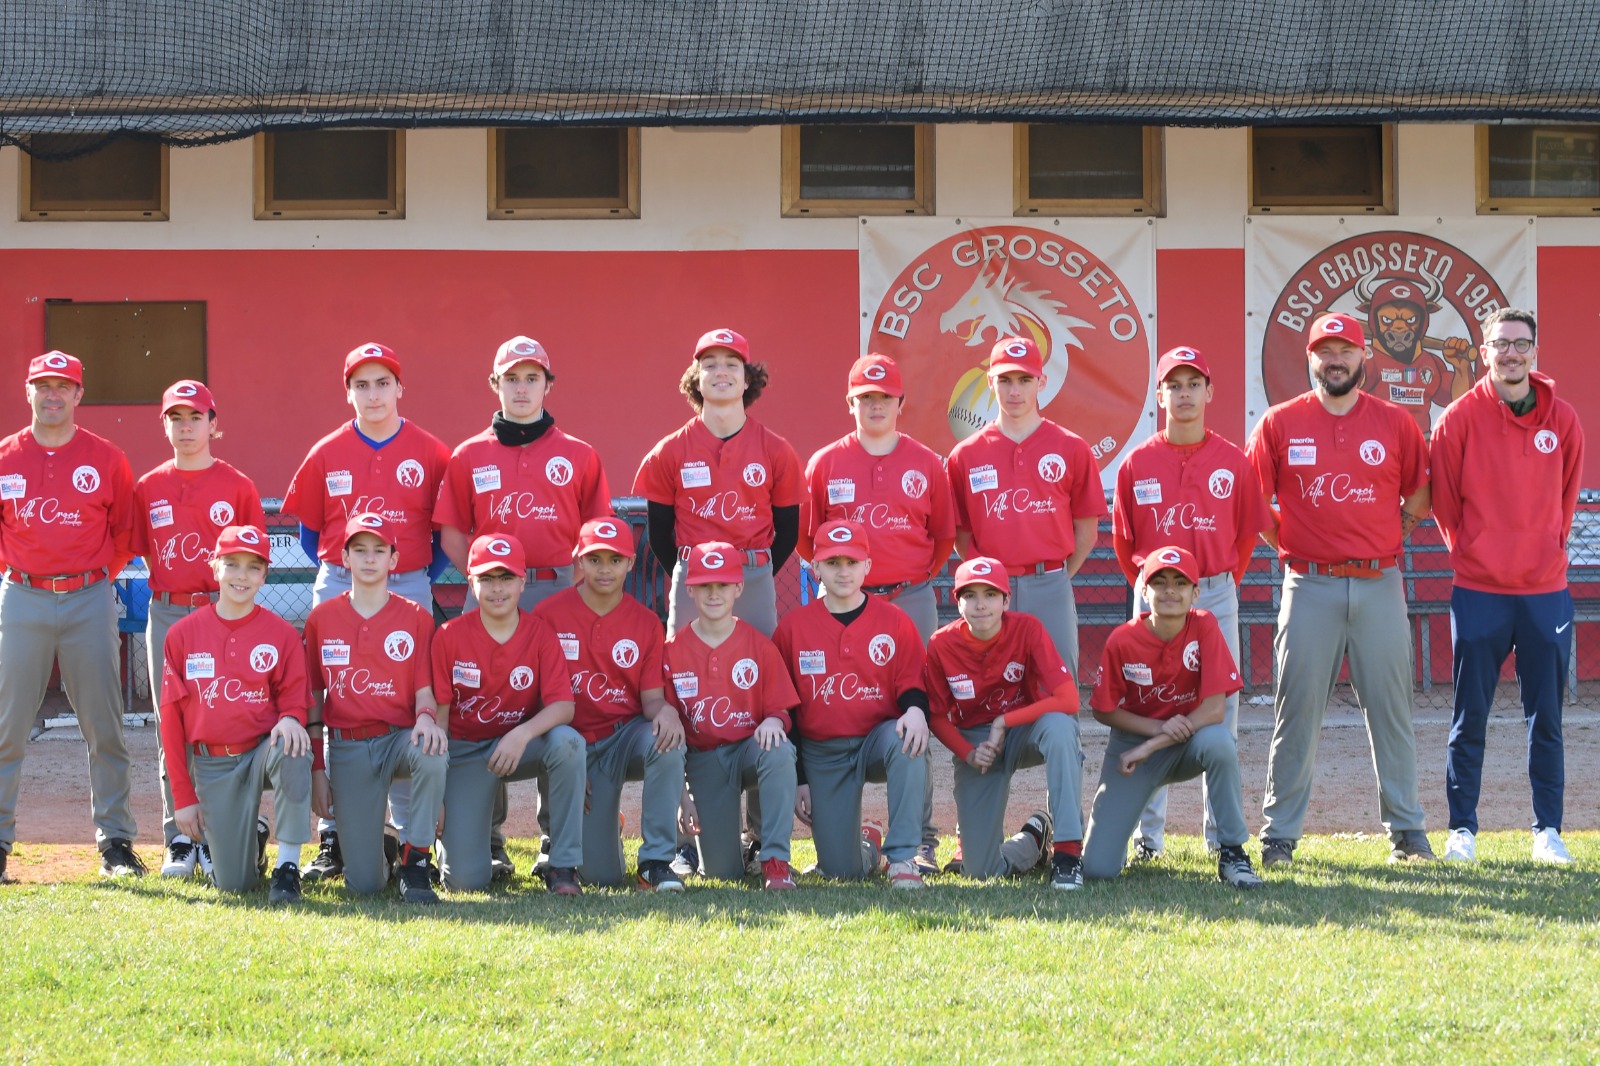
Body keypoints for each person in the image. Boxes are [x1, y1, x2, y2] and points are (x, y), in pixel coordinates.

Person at [1247, 311, 1433, 867]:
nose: (1335, 360)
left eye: (1345, 350)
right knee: (1296, 711)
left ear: (1363, 356)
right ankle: (1279, 834)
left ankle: (1407, 831)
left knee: (1391, 711)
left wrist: (1387, 537)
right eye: (1325, 350)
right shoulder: (1280, 423)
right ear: (1310, 358)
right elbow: (1254, 501)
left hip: (1380, 582)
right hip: (1309, 584)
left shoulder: (1395, 422)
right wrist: (1291, 542)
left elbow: (1419, 495)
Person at [433, 335, 612, 880]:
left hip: (559, 591)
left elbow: (597, 532)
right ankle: (488, 840)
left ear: (548, 385)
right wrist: (483, 579)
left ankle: (555, 843)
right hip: (492, 593)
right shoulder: (468, 455)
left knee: (557, 706)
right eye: (511, 378)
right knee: (484, 701)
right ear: (495, 385)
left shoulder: (579, 454)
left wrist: (572, 582)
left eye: (532, 378)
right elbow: (451, 531)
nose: (522, 388)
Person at [281, 342, 450, 883]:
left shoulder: (431, 451)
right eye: (361, 385)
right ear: (348, 392)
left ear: (400, 388)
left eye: (382, 383)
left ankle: (411, 839)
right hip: (340, 575)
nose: (373, 395)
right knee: (340, 693)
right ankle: (336, 835)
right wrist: (347, 572)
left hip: (410, 578)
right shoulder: (326, 451)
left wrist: (411, 571)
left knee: (406, 697)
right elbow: (309, 533)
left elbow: (446, 533)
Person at [1428, 307, 1585, 865]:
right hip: (1480, 590)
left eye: (1521, 344)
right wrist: (1475, 552)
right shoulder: (1458, 419)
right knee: (1469, 716)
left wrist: (1544, 549)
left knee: (1547, 719)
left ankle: (1548, 832)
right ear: (1485, 352)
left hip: (1545, 591)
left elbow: (1567, 498)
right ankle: (1461, 831)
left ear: (1535, 351)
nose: (1511, 353)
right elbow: (1445, 503)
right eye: (1501, 344)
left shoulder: (1563, 419)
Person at [1110, 347, 1270, 863]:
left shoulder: (1233, 461)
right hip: (1154, 597)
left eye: (1193, 384)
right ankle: (1148, 837)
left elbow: (1245, 535)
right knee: (1148, 701)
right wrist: (1150, 592)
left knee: (1220, 712)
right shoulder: (1137, 462)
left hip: (1214, 592)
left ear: (1209, 392)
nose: (1184, 394)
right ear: (1159, 396)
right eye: (1173, 385)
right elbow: (1124, 541)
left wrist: (1217, 586)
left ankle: (1220, 838)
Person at [800, 352, 953, 874]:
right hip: (841, 601)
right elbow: (808, 539)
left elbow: (943, 537)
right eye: (865, 397)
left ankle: (921, 841)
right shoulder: (825, 463)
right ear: (850, 402)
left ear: (900, 402)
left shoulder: (927, 463)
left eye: (884, 397)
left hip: (909, 597)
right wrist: (841, 584)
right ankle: (850, 834)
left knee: (915, 712)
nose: (875, 405)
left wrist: (909, 578)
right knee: (837, 705)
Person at [0, 351, 139, 884]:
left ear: (79, 394)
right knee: (7, 726)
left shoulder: (106, 458)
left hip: (88, 597)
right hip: (22, 596)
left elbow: (124, 535)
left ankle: (116, 842)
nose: (52, 394)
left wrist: (91, 579)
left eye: (63, 386)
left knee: (104, 725)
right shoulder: (7, 456)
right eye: (43, 385)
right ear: (28, 391)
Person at [132, 379, 266, 879]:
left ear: (214, 424)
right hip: (169, 612)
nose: (186, 427)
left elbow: (253, 560)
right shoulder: (148, 487)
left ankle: (214, 836)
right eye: (176, 418)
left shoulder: (238, 486)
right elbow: (146, 551)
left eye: (196, 418)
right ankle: (178, 837)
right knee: (171, 720)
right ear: (164, 425)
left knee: (221, 720)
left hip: (222, 612)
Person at [1081, 546, 1263, 889]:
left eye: (1180, 583)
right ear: (1143, 590)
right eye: (1159, 582)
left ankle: (1233, 853)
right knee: (1097, 869)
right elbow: (1103, 708)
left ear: (1195, 593)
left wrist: (1152, 745)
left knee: (1220, 742)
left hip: (1186, 743)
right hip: (1133, 750)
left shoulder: (1205, 625)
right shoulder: (1122, 639)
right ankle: (1053, 833)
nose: (1169, 591)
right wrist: (1152, 732)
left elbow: (1215, 709)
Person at [156, 525, 312, 902]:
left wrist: (290, 718)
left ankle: (287, 868)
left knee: (293, 746)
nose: (242, 575)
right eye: (232, 564)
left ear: (264, 575)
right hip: (214, 764)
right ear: (215, 567)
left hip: (260, 752)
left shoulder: (282, 634)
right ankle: (253, 836)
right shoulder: (182, 635)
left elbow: (294, 700)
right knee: (234, 885)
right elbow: (171, 722)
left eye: (253, 567)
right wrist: (183, 796)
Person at [532, 517, 687, 891]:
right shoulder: (548, 615)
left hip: (622, 738)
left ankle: (655, 862)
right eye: (594, 559)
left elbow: (651, 701)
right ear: (579, 561)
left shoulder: (646, 622)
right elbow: (536, 699)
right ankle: (593, 829)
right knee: (602, 876)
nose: (605, 569)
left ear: (630, 563)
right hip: (571, 741)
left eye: (615, 560)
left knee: (666, 740)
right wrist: (569, 763)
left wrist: (667, 711)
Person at [773, 519, 929, 888]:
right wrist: (800, 778)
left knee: (908, 737)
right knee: (842, 872)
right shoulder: (793, 628)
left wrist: (916, 711)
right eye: (833, 563)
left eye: (852, 562)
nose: (843, 571)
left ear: (867, 566)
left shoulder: (894, 621)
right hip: (822, 752)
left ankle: (902, 858)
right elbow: (785, 709)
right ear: (816, 568)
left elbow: (912, 684)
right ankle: (869, 845)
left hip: (877, 740)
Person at [303, 513, 445, 902]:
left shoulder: (416, 616)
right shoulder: (321, 619)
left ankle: (416, 862)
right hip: (348, 745)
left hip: (399, 739)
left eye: (379, 551)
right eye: (360, 550)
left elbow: (425, 690)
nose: (369, 558)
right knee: (364, 885)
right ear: (344, 558)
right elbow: (314, 698)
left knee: (431, 750)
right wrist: (318, 769)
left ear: (393, 560)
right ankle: (384, 847)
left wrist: (426, 720)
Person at [944, 336, 1106, 675]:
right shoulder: (966, 455)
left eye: (1024, 379)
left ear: (1041, 382)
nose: (1014, 390)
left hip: (1050, 584)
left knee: (1057, 681)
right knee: (992, 683)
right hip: (990, 590)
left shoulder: (1071, 448)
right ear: (991, 382)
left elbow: (1087, 531)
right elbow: (960, 534)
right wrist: (988, 578)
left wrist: (1055, 577)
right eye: (1005, 379)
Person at [432, 534, 584, 894]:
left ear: (521, 582)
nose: (497, 588)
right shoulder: (449, 636)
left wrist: (522, 734)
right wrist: (437, 796)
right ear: (471, 581)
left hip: (519, 747)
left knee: (568, 743)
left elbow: (564, 705)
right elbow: (439, 719)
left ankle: (562, 864)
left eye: (506, 577)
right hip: (466, 752)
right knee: (465, 883)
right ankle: (459, 844)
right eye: (487, 578)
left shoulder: (540, 633)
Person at [923, 556, 1084, 888]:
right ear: (957, 602)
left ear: (1006, 601)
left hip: (1023, 731)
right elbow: (935, 715)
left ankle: (1067, 854)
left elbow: (1069, 699)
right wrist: (968, 753)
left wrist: (1004, 721)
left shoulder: (1027, 629)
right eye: (970, 595)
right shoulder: (941, 644)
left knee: (1061, 727)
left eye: (990, 594)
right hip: (978, 745)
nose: (981, 605)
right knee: (981, 871)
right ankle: (1034, 838)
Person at [633, 328, 802, 637]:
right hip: (693, 576)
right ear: (696, 379)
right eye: (710, 364)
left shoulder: (776, 450)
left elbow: (789, 532)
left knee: (757, 662)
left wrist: (758, 571)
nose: (721, 371)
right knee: (682, 662)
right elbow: (658, 534)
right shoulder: (669, 451)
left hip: (752, 576)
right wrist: (688, 573)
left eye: (732, 364)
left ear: (747, 379)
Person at [663, 541, 800, 890]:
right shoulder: (672, 651)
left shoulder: (759, 645)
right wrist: (681, 798)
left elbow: (781, 709)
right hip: (704, 762)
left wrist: (775, 720)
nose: (714, 593)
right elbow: (666, 736)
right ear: (689, 589)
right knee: (723, 874)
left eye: (723, 584)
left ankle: (775, 861)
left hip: (748, 751)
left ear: (739, 588)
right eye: (704, 585)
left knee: (779, 750)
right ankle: (725, 850)